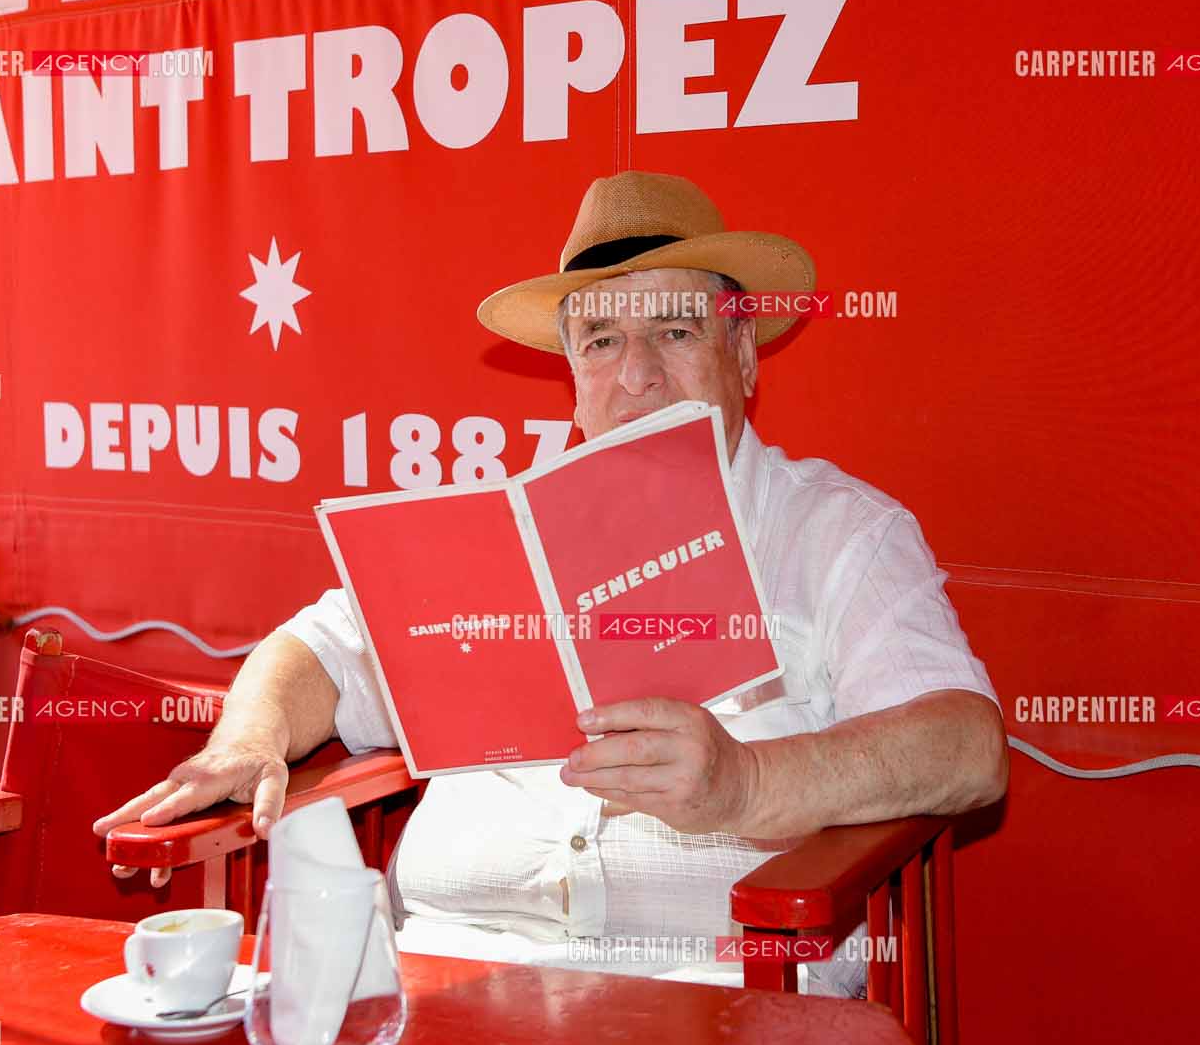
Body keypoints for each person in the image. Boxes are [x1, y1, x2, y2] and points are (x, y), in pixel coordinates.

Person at [94, 171, 1007, 993]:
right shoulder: (488, 533)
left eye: (676, 332)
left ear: (742, 358)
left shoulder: (834, 529)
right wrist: (251, 739)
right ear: (571, 376)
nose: (638, 375)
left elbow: (966, 749)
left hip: (713, 994)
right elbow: (320, 650)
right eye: (602, 339)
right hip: (450, 982)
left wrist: (748, 784)